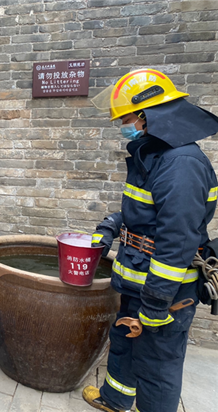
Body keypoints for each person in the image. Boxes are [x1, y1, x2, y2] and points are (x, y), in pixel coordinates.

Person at [83, 69, 218, 412]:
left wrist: (156, 305)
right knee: (126, 341)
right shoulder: (155, 155)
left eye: (125, 118)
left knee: (156, 364)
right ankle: (115, 399)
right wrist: (110, 226)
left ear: (146, 115)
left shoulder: (181, 164)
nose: (123, 125)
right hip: (138, 281)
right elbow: (144, 214)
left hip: (164, 292)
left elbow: (177, 241)